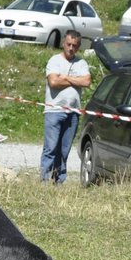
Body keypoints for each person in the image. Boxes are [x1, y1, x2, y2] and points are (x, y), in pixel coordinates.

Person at [40, 29, 90, 185]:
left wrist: (66, 77)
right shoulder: (54, 61)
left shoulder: (81, 63)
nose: (71, 48)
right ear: (63, 43)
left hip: (73, 112)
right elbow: (53, 82)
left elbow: (87, 82)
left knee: (64, 150)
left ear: (78, 46)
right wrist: (76, 79)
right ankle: (45, 180)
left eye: (74, 45)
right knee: (51, 148)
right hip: (54, 110)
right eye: (68, 44)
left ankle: (59, 180)